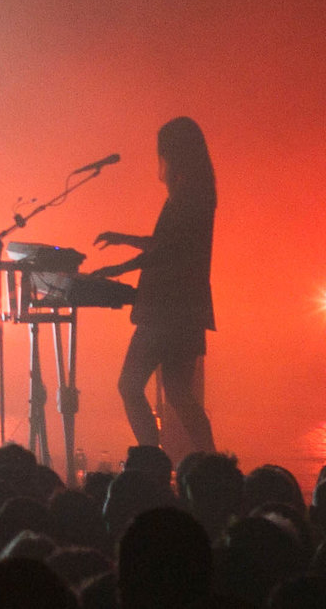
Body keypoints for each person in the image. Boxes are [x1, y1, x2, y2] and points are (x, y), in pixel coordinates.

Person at [94, 116, 217, 457]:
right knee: (178, 392)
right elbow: (165, 244)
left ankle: (151, 458)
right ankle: (213, 462)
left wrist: (120, 266)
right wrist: (123, 239)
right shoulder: (196, 190)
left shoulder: (188, 194)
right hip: (184, 308)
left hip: (167, 309)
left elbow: (166, 251)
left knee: (130, 385)